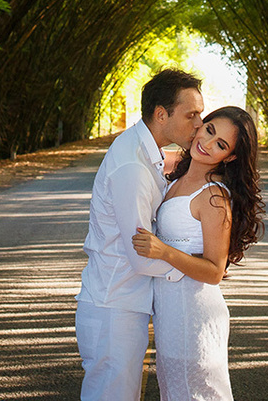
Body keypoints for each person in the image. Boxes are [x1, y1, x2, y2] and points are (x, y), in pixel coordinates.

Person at [75, 68, 205, 401]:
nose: (199, 124)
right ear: (161, 114)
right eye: (191, 114)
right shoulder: (133, 166)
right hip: (114, 306)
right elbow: (141, 255)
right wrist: (197, 268)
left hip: (121, 302)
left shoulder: (143, 151)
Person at [131, 105, 264, 401]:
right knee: (176, 391)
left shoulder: (214, 195)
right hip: (170, 310)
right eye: (210, 130)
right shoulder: (178, 179)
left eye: (220, 144)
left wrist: (164, 252)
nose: (206, 143)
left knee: (197, 394)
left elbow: (215, 271)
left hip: (194, 314)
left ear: (229, 157)